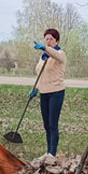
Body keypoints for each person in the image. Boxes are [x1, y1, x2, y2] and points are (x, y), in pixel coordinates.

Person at [29, 28, 66, 156]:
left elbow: (54, 54)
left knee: (52, 124)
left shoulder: (60, 54)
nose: (48, 41)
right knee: (46, 124)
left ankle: (52, 154)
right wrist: (35, 89)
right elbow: (41, 75)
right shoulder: (43, 57)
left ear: (56, 41)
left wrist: (45, 48)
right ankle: (48, 151)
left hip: (56, 92)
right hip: (43, 93)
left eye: (51, 39)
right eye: (46, 39)